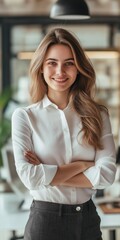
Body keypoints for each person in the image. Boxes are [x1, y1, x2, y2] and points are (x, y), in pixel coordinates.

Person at [12, 28, 116, 240]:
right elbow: (30, 179)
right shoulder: (25, 117)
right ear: (41, 67)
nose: (60, 71)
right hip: (45, 223)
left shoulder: (98, 115)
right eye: (52, 63)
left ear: (78, 68)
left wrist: (49, 174)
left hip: (87, 221)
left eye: (69, 63)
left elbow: (106, 175)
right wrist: (82, 165)